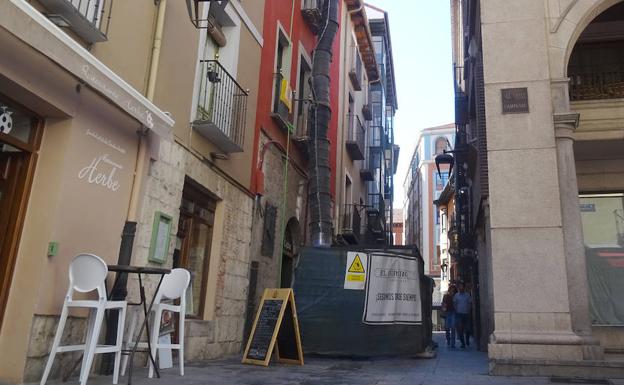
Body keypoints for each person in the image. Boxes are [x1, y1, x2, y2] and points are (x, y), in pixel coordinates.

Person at [453, 281, 472, 349]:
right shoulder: (456, 295)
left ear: (464, 287)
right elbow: (454, 303)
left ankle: (467, 340)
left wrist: (469, 310)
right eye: (459, 286)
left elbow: (470, 303)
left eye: (462, 286)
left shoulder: (467, 295)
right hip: (459, 314)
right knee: (460, 329)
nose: (461, 288)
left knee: (467, 329)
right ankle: (463, 343)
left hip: (466, 314)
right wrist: (456, 310)